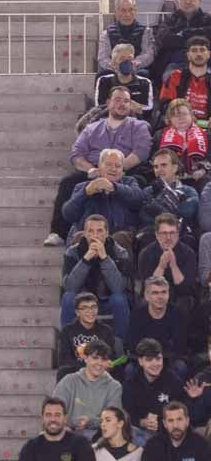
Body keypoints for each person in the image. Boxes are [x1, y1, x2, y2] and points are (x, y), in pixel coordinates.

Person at [47, 92, 151, 246]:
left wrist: (116, 169)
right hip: (94, 169)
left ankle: (137, 231)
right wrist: (92, 170)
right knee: (68, 182)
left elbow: (141, 152)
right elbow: (76, 154)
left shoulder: (140, 126)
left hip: (127, 169)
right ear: (108, 103)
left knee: (140, 182)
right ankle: (59, 233)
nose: (122, 104)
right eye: (117, 100)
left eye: (126, 101)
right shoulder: (91, 128)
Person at [62, 215, 132, 344]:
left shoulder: (120, 252)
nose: (95, 235)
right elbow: (70, 287)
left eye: (99, 231)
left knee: (120, 299)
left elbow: (118, 287)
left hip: (107, 301)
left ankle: (120, 345)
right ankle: (67, 344)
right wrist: (86, 259)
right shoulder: (72, 252)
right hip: (82, 301)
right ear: (85, 234)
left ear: (107, 233)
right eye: (91, 231)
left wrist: (105, 258)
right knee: (68, 297)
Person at [159, 36, 210, 122]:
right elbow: (165, 104)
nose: (198, 54)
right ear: (188, 55)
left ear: (209, 54)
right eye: (194, 50)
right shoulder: (175, 76)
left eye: (202, 50)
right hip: (180, 123)